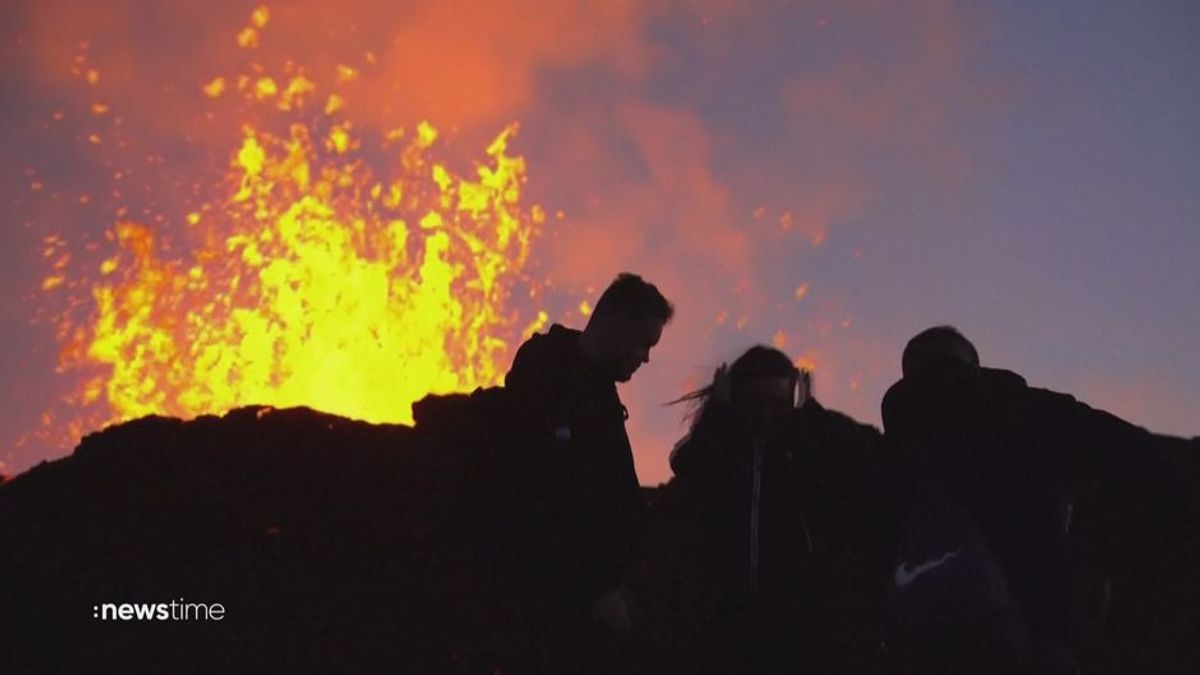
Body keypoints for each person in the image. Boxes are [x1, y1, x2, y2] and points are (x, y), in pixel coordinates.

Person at [880, 326, 1182, 674]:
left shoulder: (895, 454)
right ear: (973, 363)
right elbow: (1136, 455)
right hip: (1036, 637)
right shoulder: (1035, 413)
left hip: (923, 644)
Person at [654, 345, 886, 673]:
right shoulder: (719, 450)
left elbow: (871, 455)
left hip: (801, 627)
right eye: (755, 404)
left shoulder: (812, 449)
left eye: (778, 404)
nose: (767, 415)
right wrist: (719, 420)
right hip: (720, 627)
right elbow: (691, 473)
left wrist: (813, 416)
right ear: (736, 401)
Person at [499, 272, 673, 670]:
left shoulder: (600, 396)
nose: (645, 358)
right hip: (560, 609)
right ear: (612, 319)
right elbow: (542, 496)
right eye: (643, 342)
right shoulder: (548, 377)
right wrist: (594, 589)